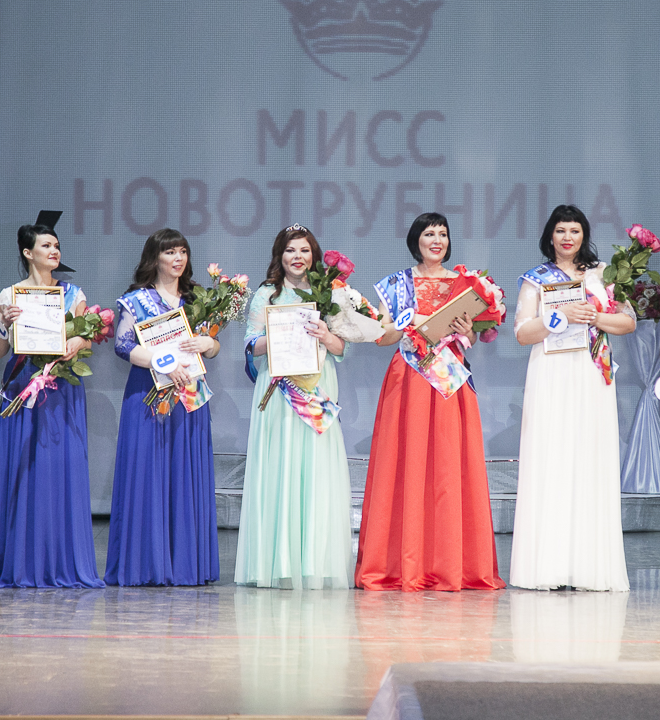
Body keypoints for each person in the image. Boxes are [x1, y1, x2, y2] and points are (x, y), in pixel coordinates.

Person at [355, 212, 504, 591]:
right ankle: (402, 564)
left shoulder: (464, 285)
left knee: (449, 465)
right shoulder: (398, 284)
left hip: (449, 380)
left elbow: (470, 337)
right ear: (416, 240)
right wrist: (403, 326)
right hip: (409, 378)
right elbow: (383, 337)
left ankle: (450, 564)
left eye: (442, 234)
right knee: (405, 463)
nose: (436, 240)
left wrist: (468, 331)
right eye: (428, 233)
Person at [509, 205, 634, 591]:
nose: (567, 237)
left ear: (584, 236)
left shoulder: (602, 274)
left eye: (575, 231)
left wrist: (593, 316)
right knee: (552, 458)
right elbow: (522, 333)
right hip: (551, 373)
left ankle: (589, 568)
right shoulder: (535, 280)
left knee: (589, 459)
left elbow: (628, 321)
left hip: (591, 374)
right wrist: (558, 317)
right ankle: (548, 567)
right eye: (561, 230)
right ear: (550, 235)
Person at [0, 220, 104, 588]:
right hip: (23, 385)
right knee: (23, 469)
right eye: (46, 245)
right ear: (27, 252)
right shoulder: (9, 294)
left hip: (61, 388)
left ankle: (61, 561)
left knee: (59, 469)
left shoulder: (72, 293)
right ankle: (20, 562)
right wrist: (2, 323)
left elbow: (87, 338)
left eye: (56, 245)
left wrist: (78, 342)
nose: (54, 251)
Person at [236, 225, 352, 589]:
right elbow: (250, 345)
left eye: (304, 250)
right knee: (279, 463)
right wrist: (278, 334)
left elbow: (341, 348)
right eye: (290, 250)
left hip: (317, 385)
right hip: (279, 387)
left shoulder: (329, 292)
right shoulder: (266, 294)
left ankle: (314, 562)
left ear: (313, 255)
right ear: (279, 255)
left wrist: (325, 335)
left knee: (315, 468)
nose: (297, 257)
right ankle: (278, 563)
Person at [106, 229, 221, 586]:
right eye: (170, 252)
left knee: (185, 474)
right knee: (148, 474)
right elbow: (123, 345)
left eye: (182, 251)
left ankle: (186, 563)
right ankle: (146, 563)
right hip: (149, 393)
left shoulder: (197, 299)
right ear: (154, 257)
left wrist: (209, 344)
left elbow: (212, 345)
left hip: (188, 395)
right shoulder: (137, 300)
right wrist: (162, 362)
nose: (178, 258)